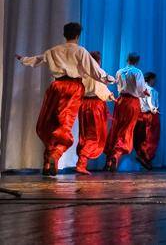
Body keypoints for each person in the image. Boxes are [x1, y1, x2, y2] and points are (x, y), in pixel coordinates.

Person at [16, 22, 115, 176]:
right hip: (72, 88)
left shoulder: (54, 50)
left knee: (51, 123)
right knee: (65, 125)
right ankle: (56, 154)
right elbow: (95, 71)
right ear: (78, 36)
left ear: (64, 34)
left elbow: (38, 59)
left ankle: (47, 163)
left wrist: (23, 59)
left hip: (56, 87)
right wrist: (109, 79)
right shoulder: (80, 51)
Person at [105, 52, 151, 172]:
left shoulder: (119, 71)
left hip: (120, 101)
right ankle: (116, 154)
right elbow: (141, 89)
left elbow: (118, 85)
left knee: (116, 128)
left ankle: (109, 159)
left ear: (127, 60)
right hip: (131, 102)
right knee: (127, 129)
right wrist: (145, 93)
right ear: (137, 61)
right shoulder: (137, 72)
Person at [76, 51, 116, 175]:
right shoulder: (97, 72)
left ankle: (81, 163)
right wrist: (110, 96)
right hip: (95, 105)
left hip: (83, 104)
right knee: (94, 135)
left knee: (85, 134)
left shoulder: (81, 72)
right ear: (97, 61)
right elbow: (101, 87)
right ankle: (81, 163)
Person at [133, 71, 160, 170]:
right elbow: (151, 103)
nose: (155, 81)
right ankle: (146, 157)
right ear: (150, 79)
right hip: (151, 115)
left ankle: (143, 157)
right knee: (152, 137)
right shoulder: (151, 90)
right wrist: (153, 108)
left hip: (140, 115)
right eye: (154, 79)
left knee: (141, 136)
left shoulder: (139, 90)